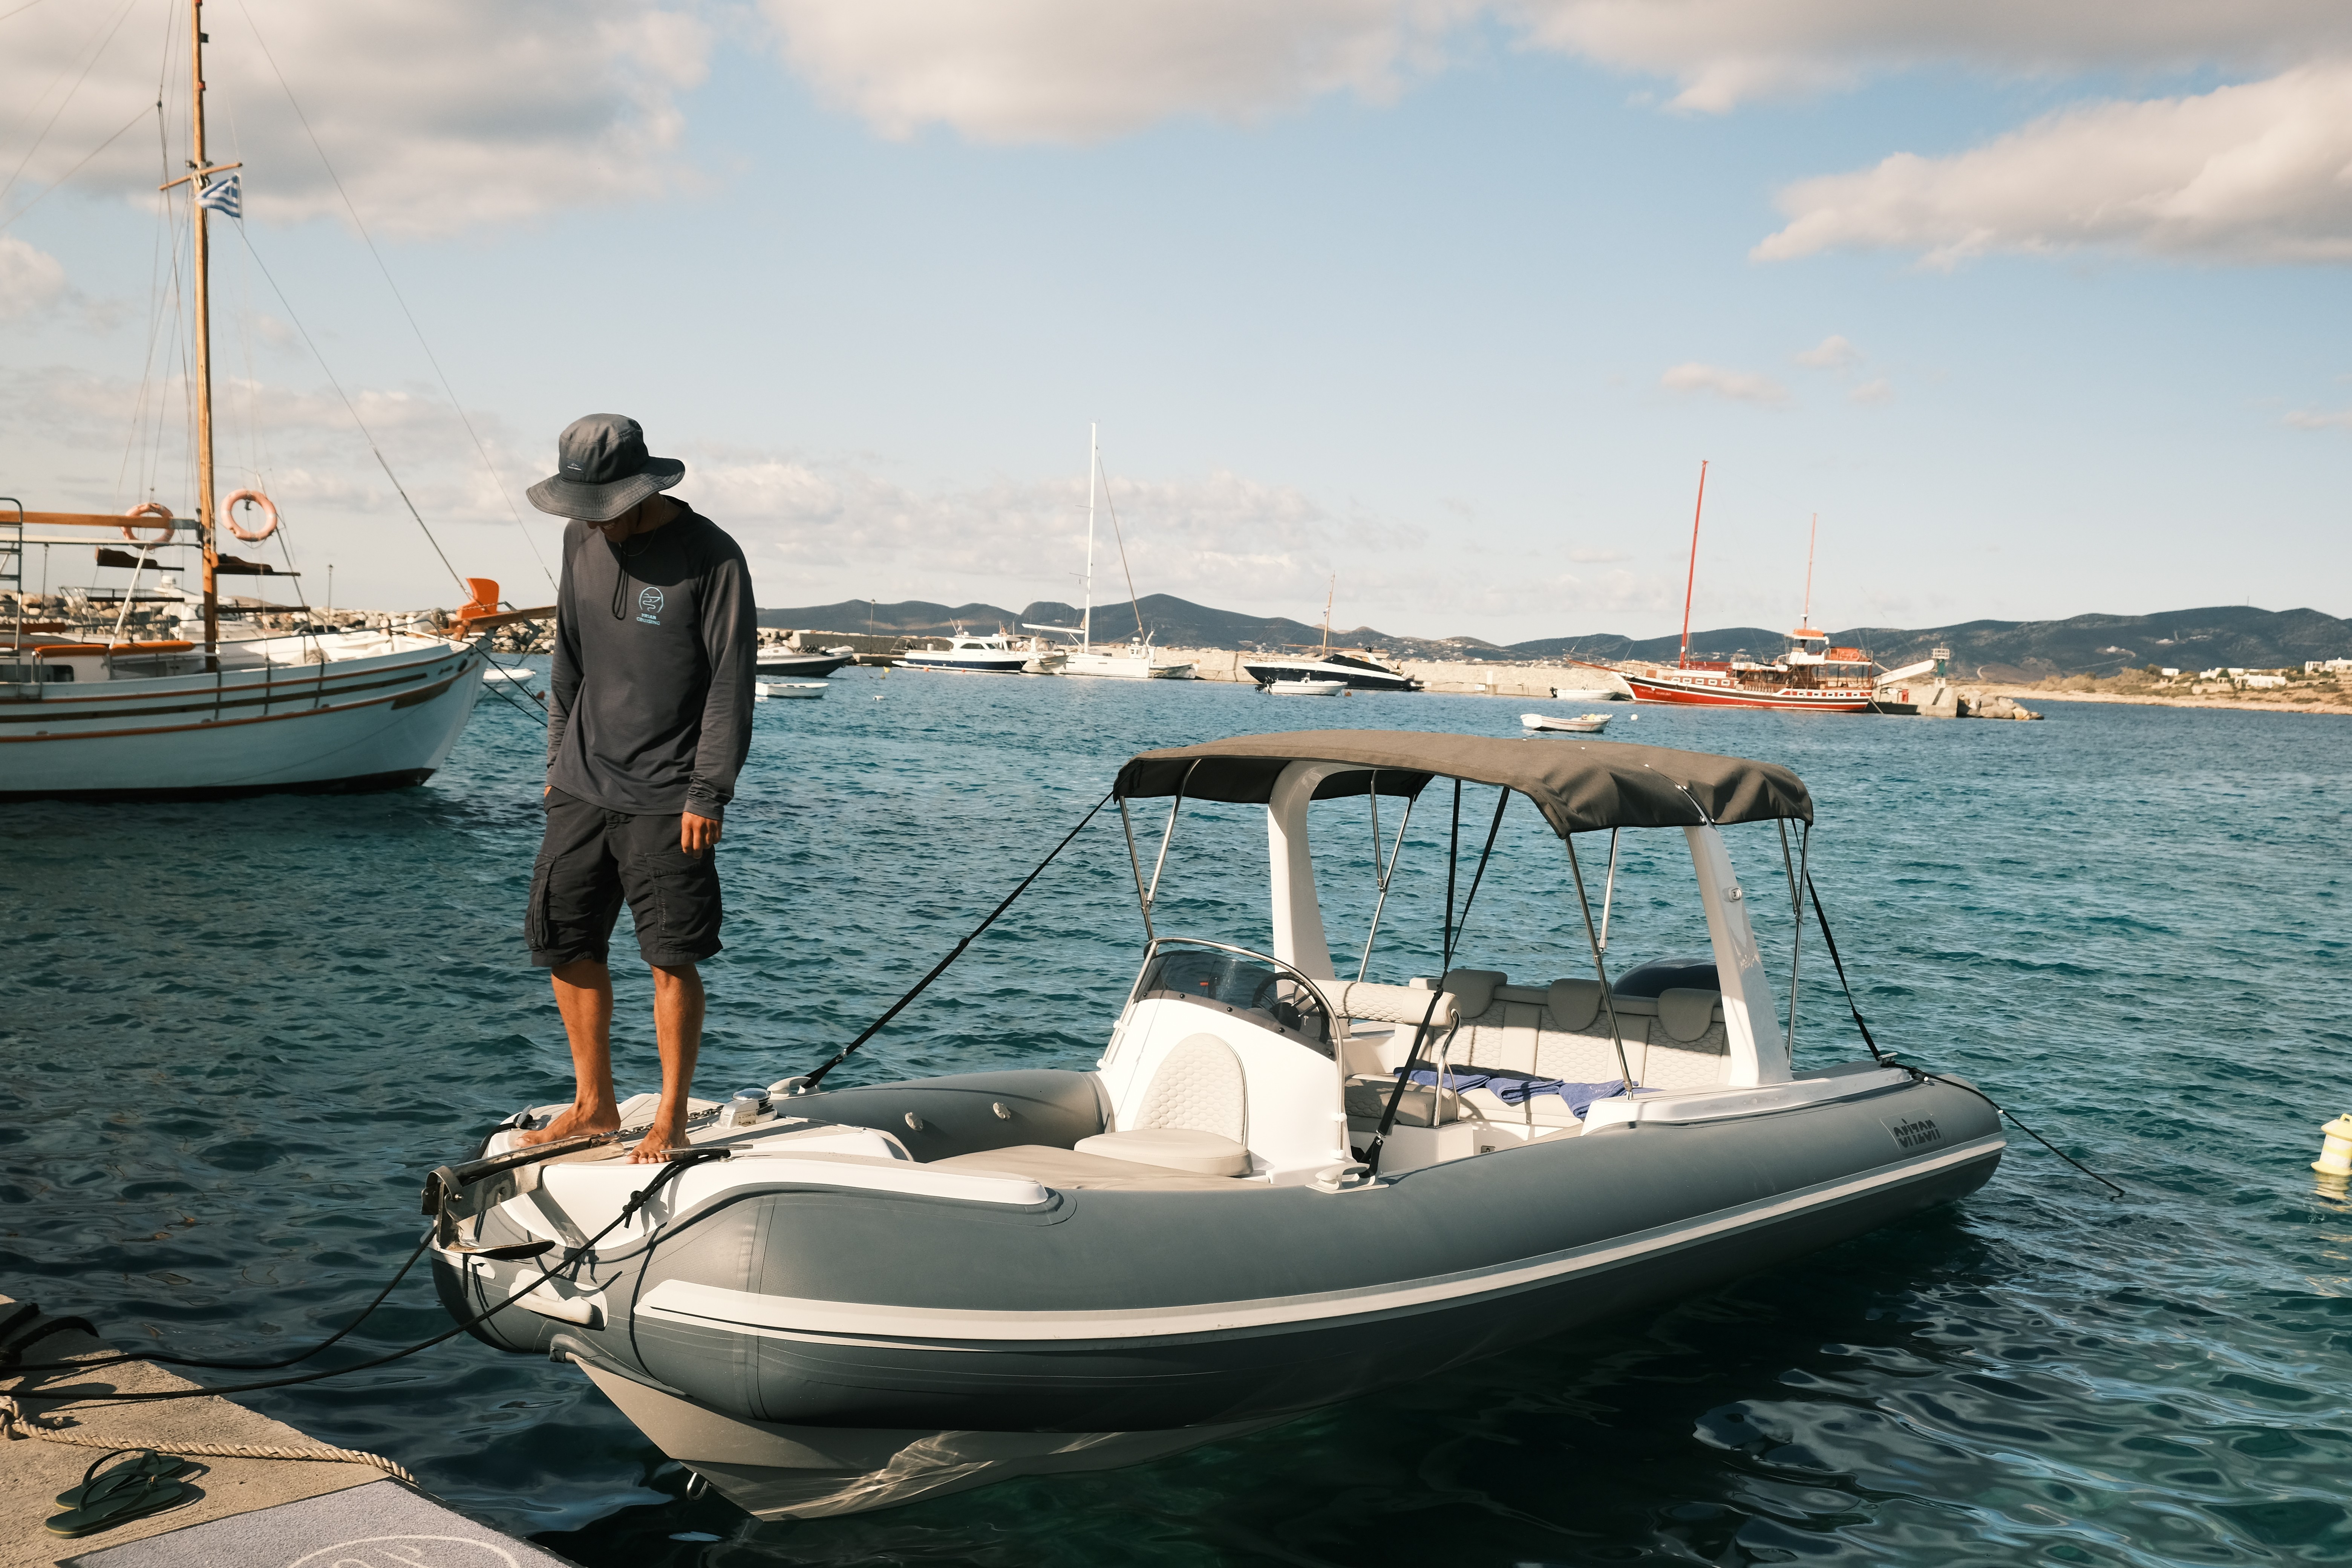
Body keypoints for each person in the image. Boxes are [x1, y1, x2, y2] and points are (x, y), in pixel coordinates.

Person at [516, 413, 755, 1161]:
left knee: (669, 955)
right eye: (581, 509)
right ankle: (594, 1105)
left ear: (641, 488)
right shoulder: (577, 540)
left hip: (669, 793)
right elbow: (568, 660)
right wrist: (557, 764)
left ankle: (671, 1117)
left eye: (604, 509)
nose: (593, 523)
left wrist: (708, 789)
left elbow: (730, 683)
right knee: (563, 940)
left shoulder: (712, 557)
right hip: (582, 781)